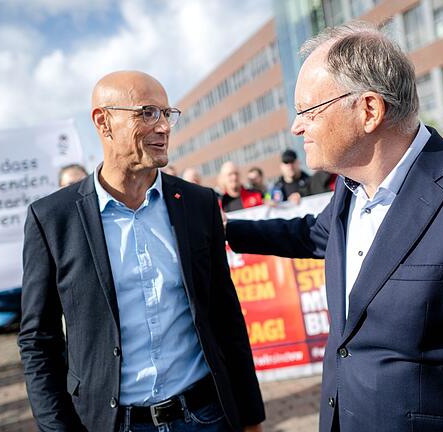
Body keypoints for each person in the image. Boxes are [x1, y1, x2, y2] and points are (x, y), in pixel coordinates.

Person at [226, 23, 443, 432]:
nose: (296, 128)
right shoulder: (351, 190)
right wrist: (224, 228)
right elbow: (311, 234)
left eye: (308, 111)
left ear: (368, 110)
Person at [19, 71, 265, 432]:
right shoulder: (53, 218)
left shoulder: (198, 204)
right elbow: (38, 342)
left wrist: (250, 416)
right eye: (148, 113)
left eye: (167, 114)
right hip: (115, 423)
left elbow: (225, 316)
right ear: (103, 122)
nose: (163, 126)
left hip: (206, 416)